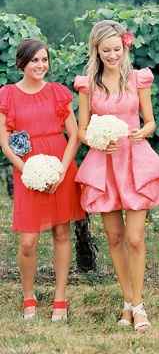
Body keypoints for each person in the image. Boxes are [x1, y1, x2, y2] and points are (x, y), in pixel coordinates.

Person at [75, 20, 159, 332]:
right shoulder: (88, 84)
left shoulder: (138, 79)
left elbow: (151, 121)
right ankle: (129, 302)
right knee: (115, 237)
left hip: (134, 159)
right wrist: (96, 140)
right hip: (105, 162)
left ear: (124, 47)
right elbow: (82, 129)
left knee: (135, 237)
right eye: (106, 50)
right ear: (97, 51)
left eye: (117, 49)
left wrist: (143, 131)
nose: (112, 55)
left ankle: (138, 304)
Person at [0, 39, 84, 321]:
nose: (40, 65)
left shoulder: (59, 93)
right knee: (28, 240)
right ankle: (28, 296)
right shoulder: (7, 94)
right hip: (28, 171)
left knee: (61, 233)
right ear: (22, 62)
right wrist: (27, 171)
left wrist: (61, 170)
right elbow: (5, 141)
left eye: (44, 60)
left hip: (60, 168)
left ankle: (60, 298)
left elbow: (74, 135)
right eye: (34, 60)